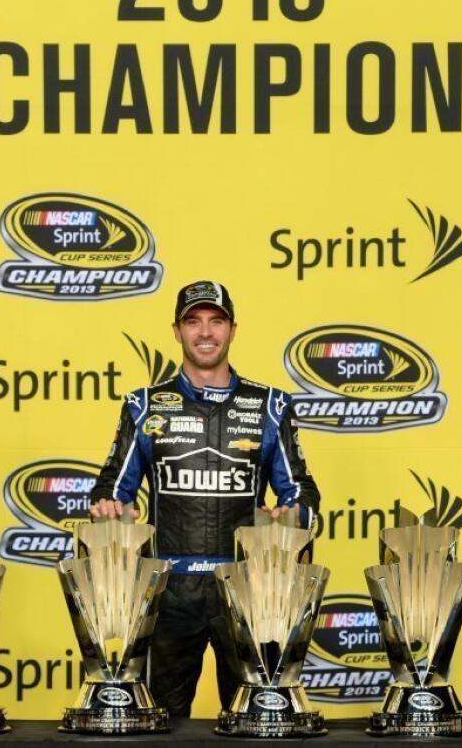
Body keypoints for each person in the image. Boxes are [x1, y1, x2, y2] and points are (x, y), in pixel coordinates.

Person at [89, 280, 321, 718]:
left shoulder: (270, 406)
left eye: (216, 321)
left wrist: (292, 514)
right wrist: (109, 507)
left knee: (257, 721)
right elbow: (111, 488)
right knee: (159, 721)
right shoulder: (144, 405)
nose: (205, 332)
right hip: (169, 591)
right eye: (193, 322)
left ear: (233, 329)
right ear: (176, 331)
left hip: (248, 592)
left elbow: (302, 492)